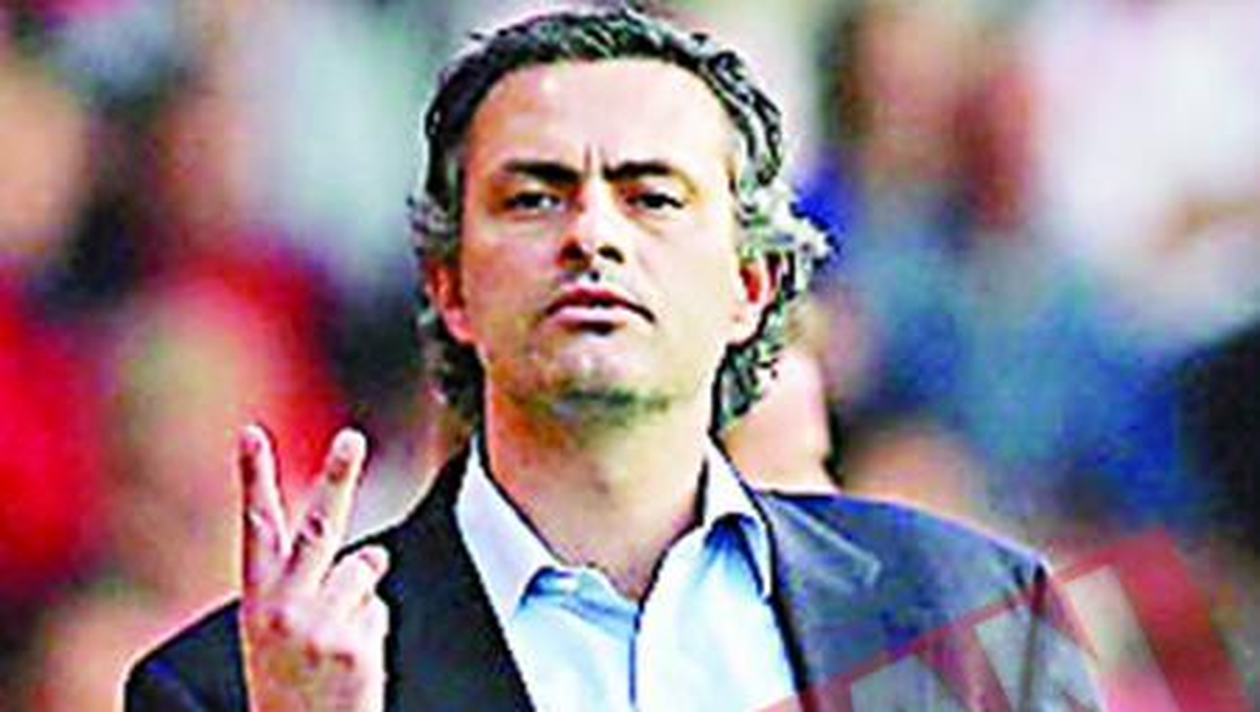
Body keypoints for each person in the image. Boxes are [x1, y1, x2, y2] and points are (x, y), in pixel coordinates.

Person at [125, 7, 1099, 710]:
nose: (593, 233)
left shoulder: (978, 614)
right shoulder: (233, 688)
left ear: (749, 285)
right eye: (535, 197)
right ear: (448, 286)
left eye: (653, 196)